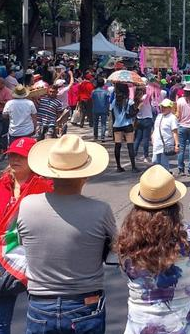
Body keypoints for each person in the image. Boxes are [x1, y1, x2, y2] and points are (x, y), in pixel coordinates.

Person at [18, 135, 115, 333]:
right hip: (85, 302)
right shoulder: (101, 210)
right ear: (86, 175)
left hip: (40, 304)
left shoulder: (27, 205)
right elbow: (116, 249)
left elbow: (22, 243)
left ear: (50, 173)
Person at [116, 165, 190, 334]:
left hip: (141, 324)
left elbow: (125, 273)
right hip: (185, 323)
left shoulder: (127, 238)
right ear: (174, 203)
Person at [0, 138, 53, 334]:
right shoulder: (0, 184)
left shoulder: (45, 186)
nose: (15, 159)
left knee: (39, 318)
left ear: (33, 160)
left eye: (21, 156)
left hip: (36, 258)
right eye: (12, 155)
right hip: (3, 257)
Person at [112, 83, 138, 172]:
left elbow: (113, 115)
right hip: (127, 125)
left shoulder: (114, 101)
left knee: (117, 145)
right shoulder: (129, 101)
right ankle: (133, 167)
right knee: (130, 145)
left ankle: (118, 166)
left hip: (116, 125)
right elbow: (130, 115)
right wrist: (138, 109)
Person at [152, 99, 180, 170]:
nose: (163, 108)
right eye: (162, 107)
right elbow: (156, 128)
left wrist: (177, 144)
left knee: (164, 164)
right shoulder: (159, 116)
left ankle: (166, 178)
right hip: (157, 143)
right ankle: (158, 178)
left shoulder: (172, 118)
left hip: (166, 144)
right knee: (155, 162)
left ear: (170, 108)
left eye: (165, 107)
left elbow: (175, 132)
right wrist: (152, 137)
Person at [133, 86, 155, 164]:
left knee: (138, 139)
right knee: (145, 139)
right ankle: (146, 156)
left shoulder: (135, 98)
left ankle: (134, 155)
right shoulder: (146, 97)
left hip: (139, 120)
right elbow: (151, 92)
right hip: (147, 119)